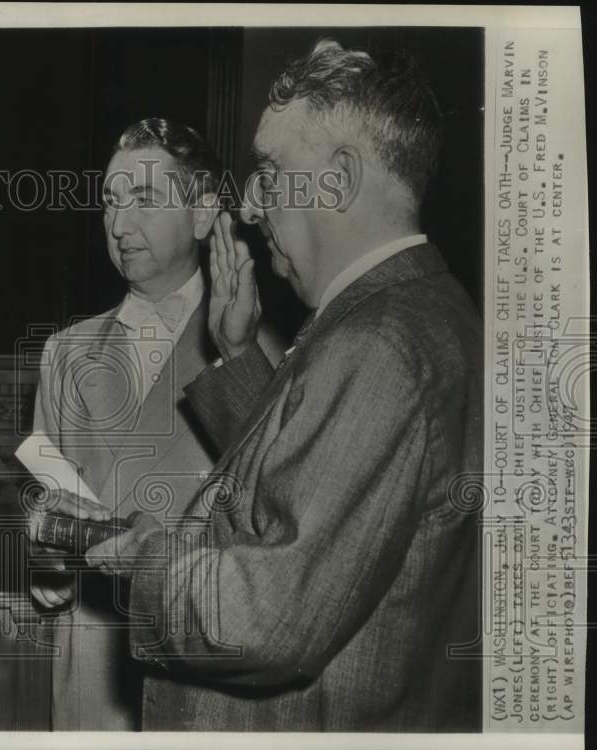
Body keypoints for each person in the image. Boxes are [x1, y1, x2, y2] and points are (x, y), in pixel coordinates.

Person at [82, 40, 483, 731]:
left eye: (269, 173)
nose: (249, 205)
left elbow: (270, 618)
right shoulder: (410, 313)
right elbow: (322, 484)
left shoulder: (382, 344)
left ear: (337, 181)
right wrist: (238, 356)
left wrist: (143, 557)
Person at [25, 118, 284, 730]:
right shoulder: (65, 353)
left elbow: (278, 511)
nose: (118, 225)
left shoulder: (260, 353)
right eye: (111, 203)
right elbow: (46, 502)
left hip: (201, 671)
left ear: (201, 215)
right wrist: (45, 567)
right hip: (92, 672)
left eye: (143, 200)